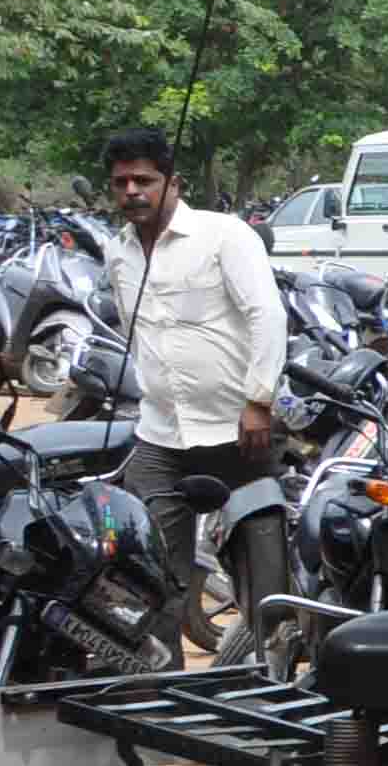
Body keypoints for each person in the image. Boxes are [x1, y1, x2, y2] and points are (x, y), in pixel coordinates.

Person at [105, 126, 284, 657]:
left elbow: (267, 315)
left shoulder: (224, 236)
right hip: (160, 435)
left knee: (264, 579)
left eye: (144, 180)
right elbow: (135, 332)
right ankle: (162, 685)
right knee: (153, 572)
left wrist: (258, 401)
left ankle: (268, 680)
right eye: (121, 182)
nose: (132, 191)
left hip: (240, 430)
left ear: (173, 183)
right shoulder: (118, 253)